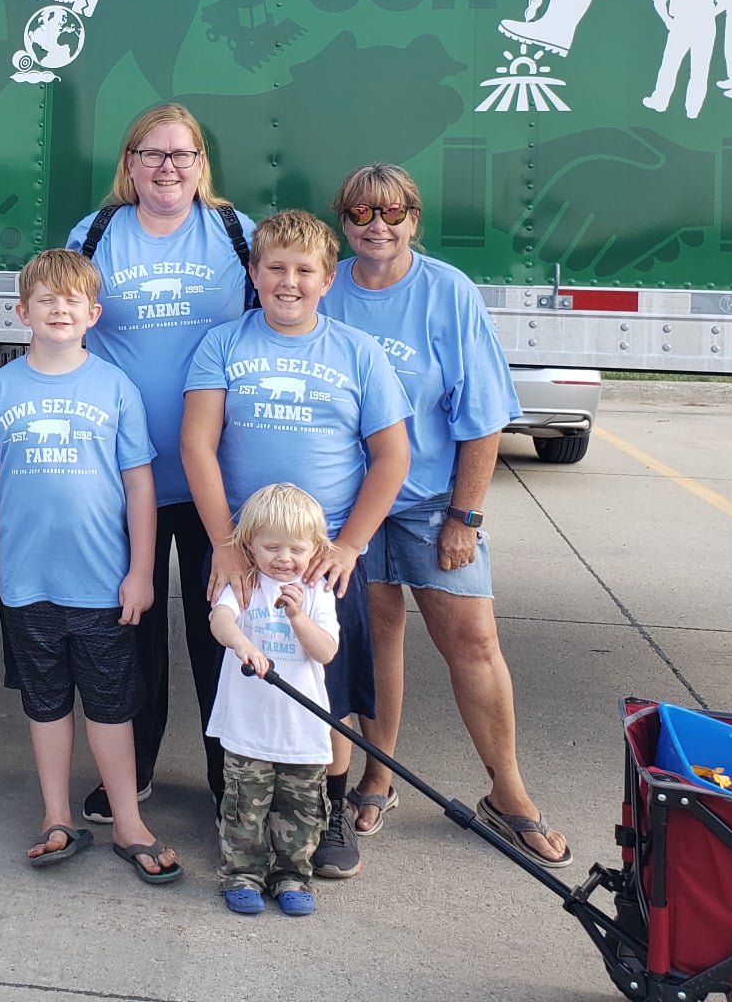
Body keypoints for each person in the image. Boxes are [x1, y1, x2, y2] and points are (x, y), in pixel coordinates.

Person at [322, 163, 570, 869]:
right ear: (344, 222)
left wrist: (466, 515)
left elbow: (483, 416)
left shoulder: (447, 293)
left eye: (393, 213)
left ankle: (509, 793)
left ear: (414, 219)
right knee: (377, 643)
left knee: (474, 643)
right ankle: (379, 774)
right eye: (362, 214)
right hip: (352, 509)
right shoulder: (326, 288)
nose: (379, 227)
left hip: (433, 506)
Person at [181, 208, 411, 880]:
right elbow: (197, 443)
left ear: (327, 278)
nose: (288, 281)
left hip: (319, 560)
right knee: (241, 677)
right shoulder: (224, 344)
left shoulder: (355, 352)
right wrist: (225, 542)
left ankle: (327, 808)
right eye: (275, 268)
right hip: (243, 553)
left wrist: (350, 545)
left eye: (303, 270)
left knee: (325, 689)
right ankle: (240, 806)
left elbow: (391, 456)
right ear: (254, 274)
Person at [0, 249, 181, 885]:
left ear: (94, 313)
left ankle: (127, 822)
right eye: (45, 300)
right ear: (21, 311)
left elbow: (139, 484)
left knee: (111, 706)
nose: (59, 309)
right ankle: (56, 816)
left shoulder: (114, 387)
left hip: (102, 584)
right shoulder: (1, 388)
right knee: (46, 702)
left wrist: (141, 572)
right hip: (28, 585)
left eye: (72, 301)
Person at [66, 102, 254, 820]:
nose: (168, 168)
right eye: (153, 154)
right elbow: (66, 336)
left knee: (222, 631)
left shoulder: (237, 235)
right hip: (124, 474)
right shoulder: (97, 232)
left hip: (218, 480)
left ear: (202, 165)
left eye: (182, 155)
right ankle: (133, 771)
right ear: (130, 163)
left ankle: (226, 777)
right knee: (129, 628)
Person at [207, 482, 340, 917]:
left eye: (296, 549)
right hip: (248, 728)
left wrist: (297, 615)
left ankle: (291, 875)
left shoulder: (317, 591)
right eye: (272, 547)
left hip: (302, 732)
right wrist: (242, 644)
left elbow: (325, 651)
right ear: (250, 544)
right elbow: (220, 620)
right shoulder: (245, 583)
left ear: (316, 548)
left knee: (300, 812)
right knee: (245, 808)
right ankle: (242, 874)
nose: (284, 559)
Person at [642, 0, 723, 120]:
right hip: (699, 24)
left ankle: (661, 102)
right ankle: (689, 109)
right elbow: (723, 2)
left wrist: (667, 20)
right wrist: (711, 14)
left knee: (673, 66)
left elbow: (658, 0)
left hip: (684, 24)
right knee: (697, 69)